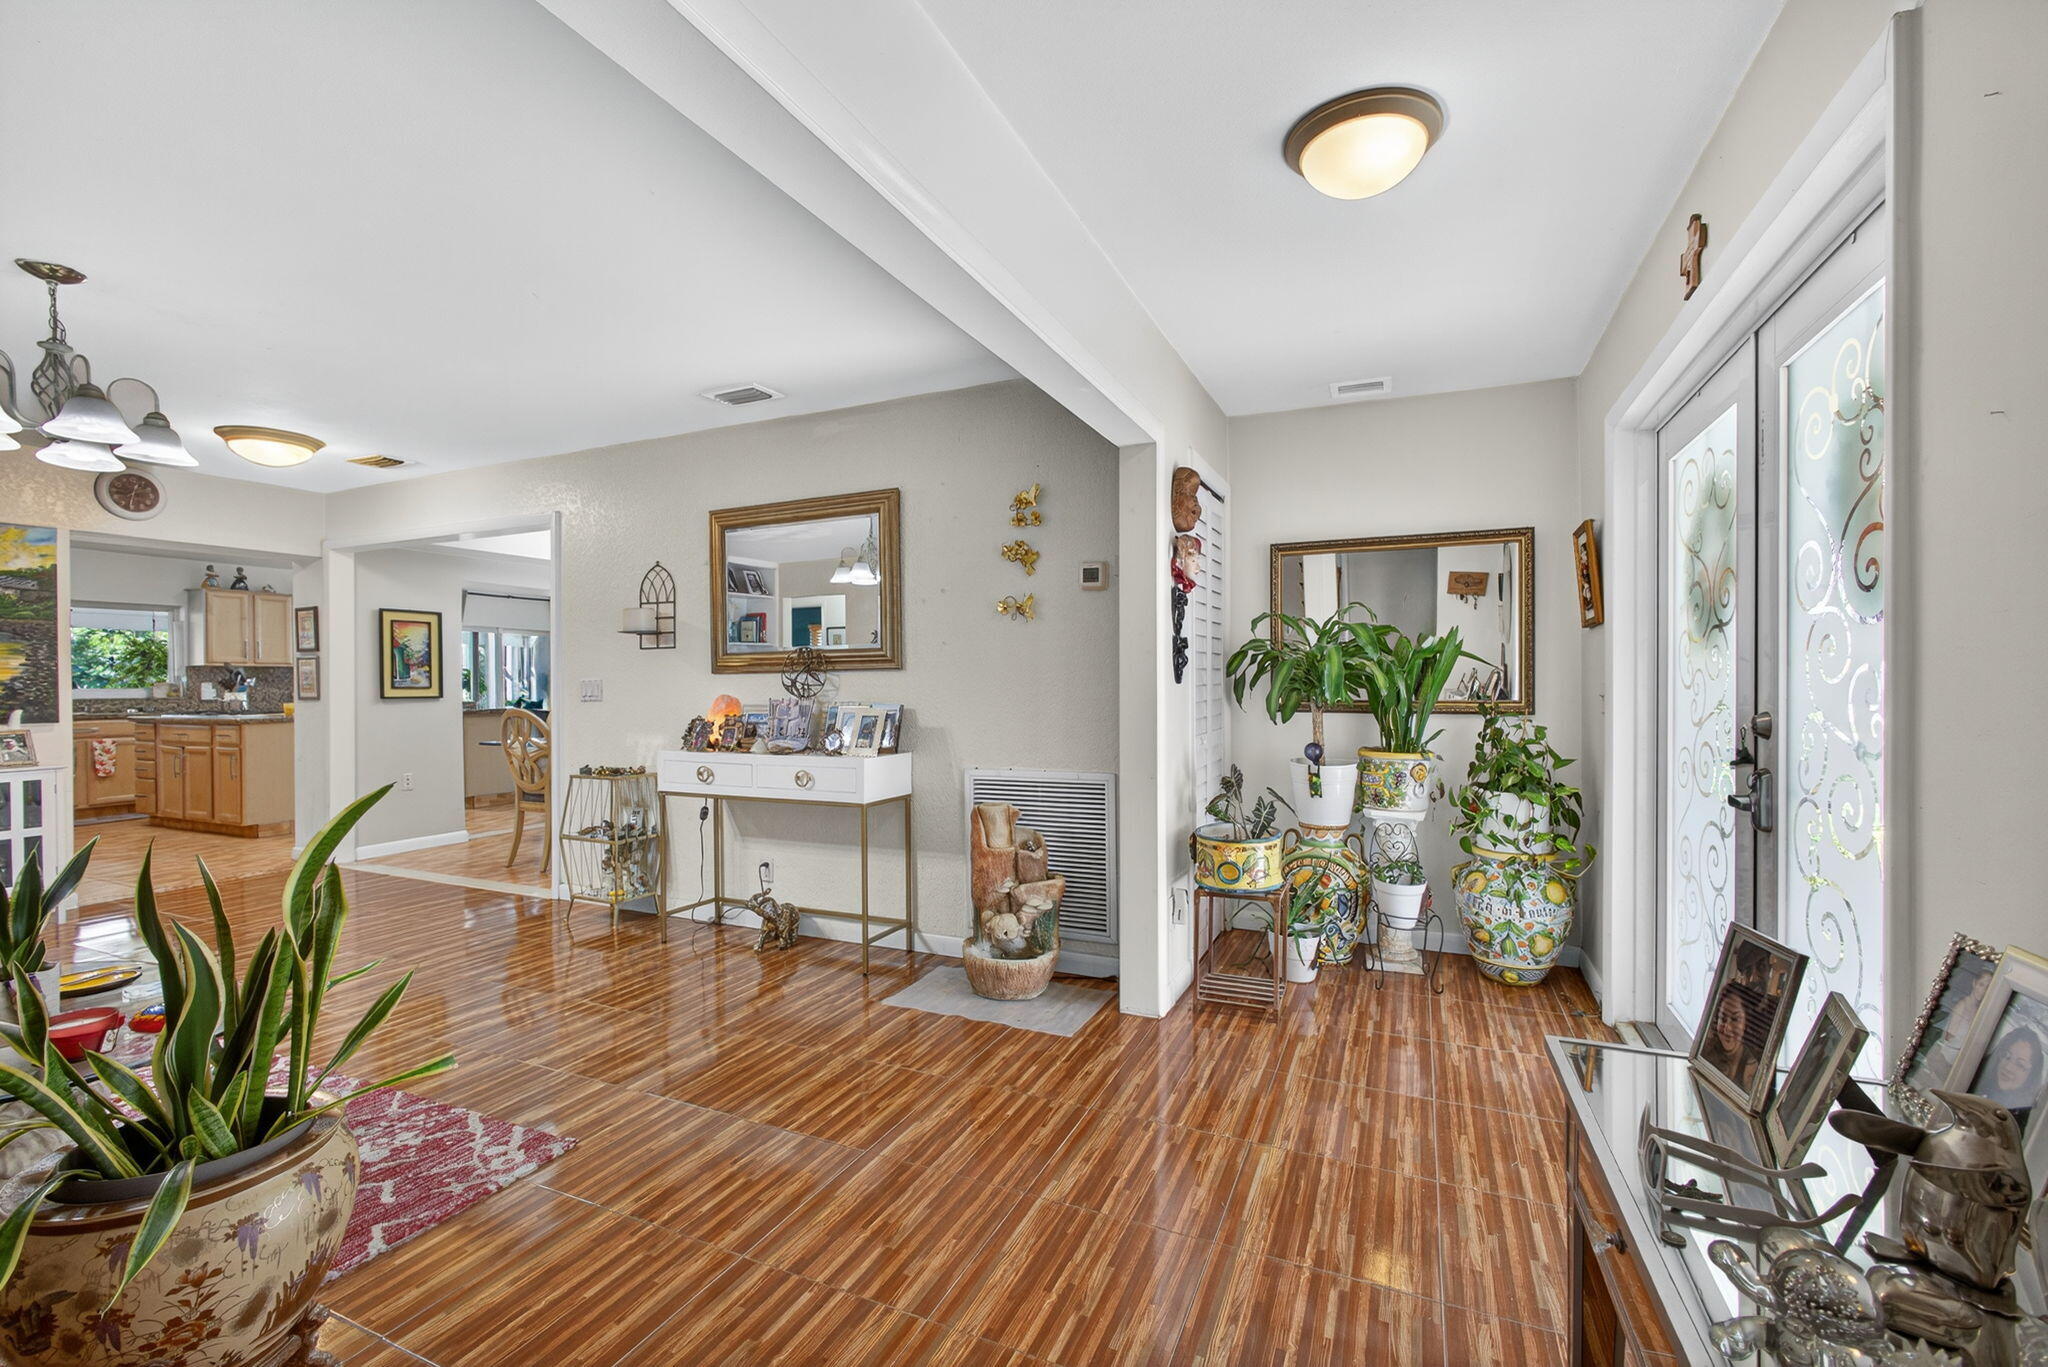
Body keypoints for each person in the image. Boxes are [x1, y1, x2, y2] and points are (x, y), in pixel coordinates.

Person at [1975, 1023, 2047, 1131]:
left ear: (2031, 1075)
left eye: (2020, 1065)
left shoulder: (2026, 1120)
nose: (2008, 1067)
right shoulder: (1975, 1083)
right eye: (2006, 1056)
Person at [1699, 987, 1759, 1094]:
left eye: (1735, 1019)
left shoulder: (1751, 1068)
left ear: (1746, 1023)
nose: (1727, 1028)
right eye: (1723, 1018)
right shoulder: (1704, 1051)